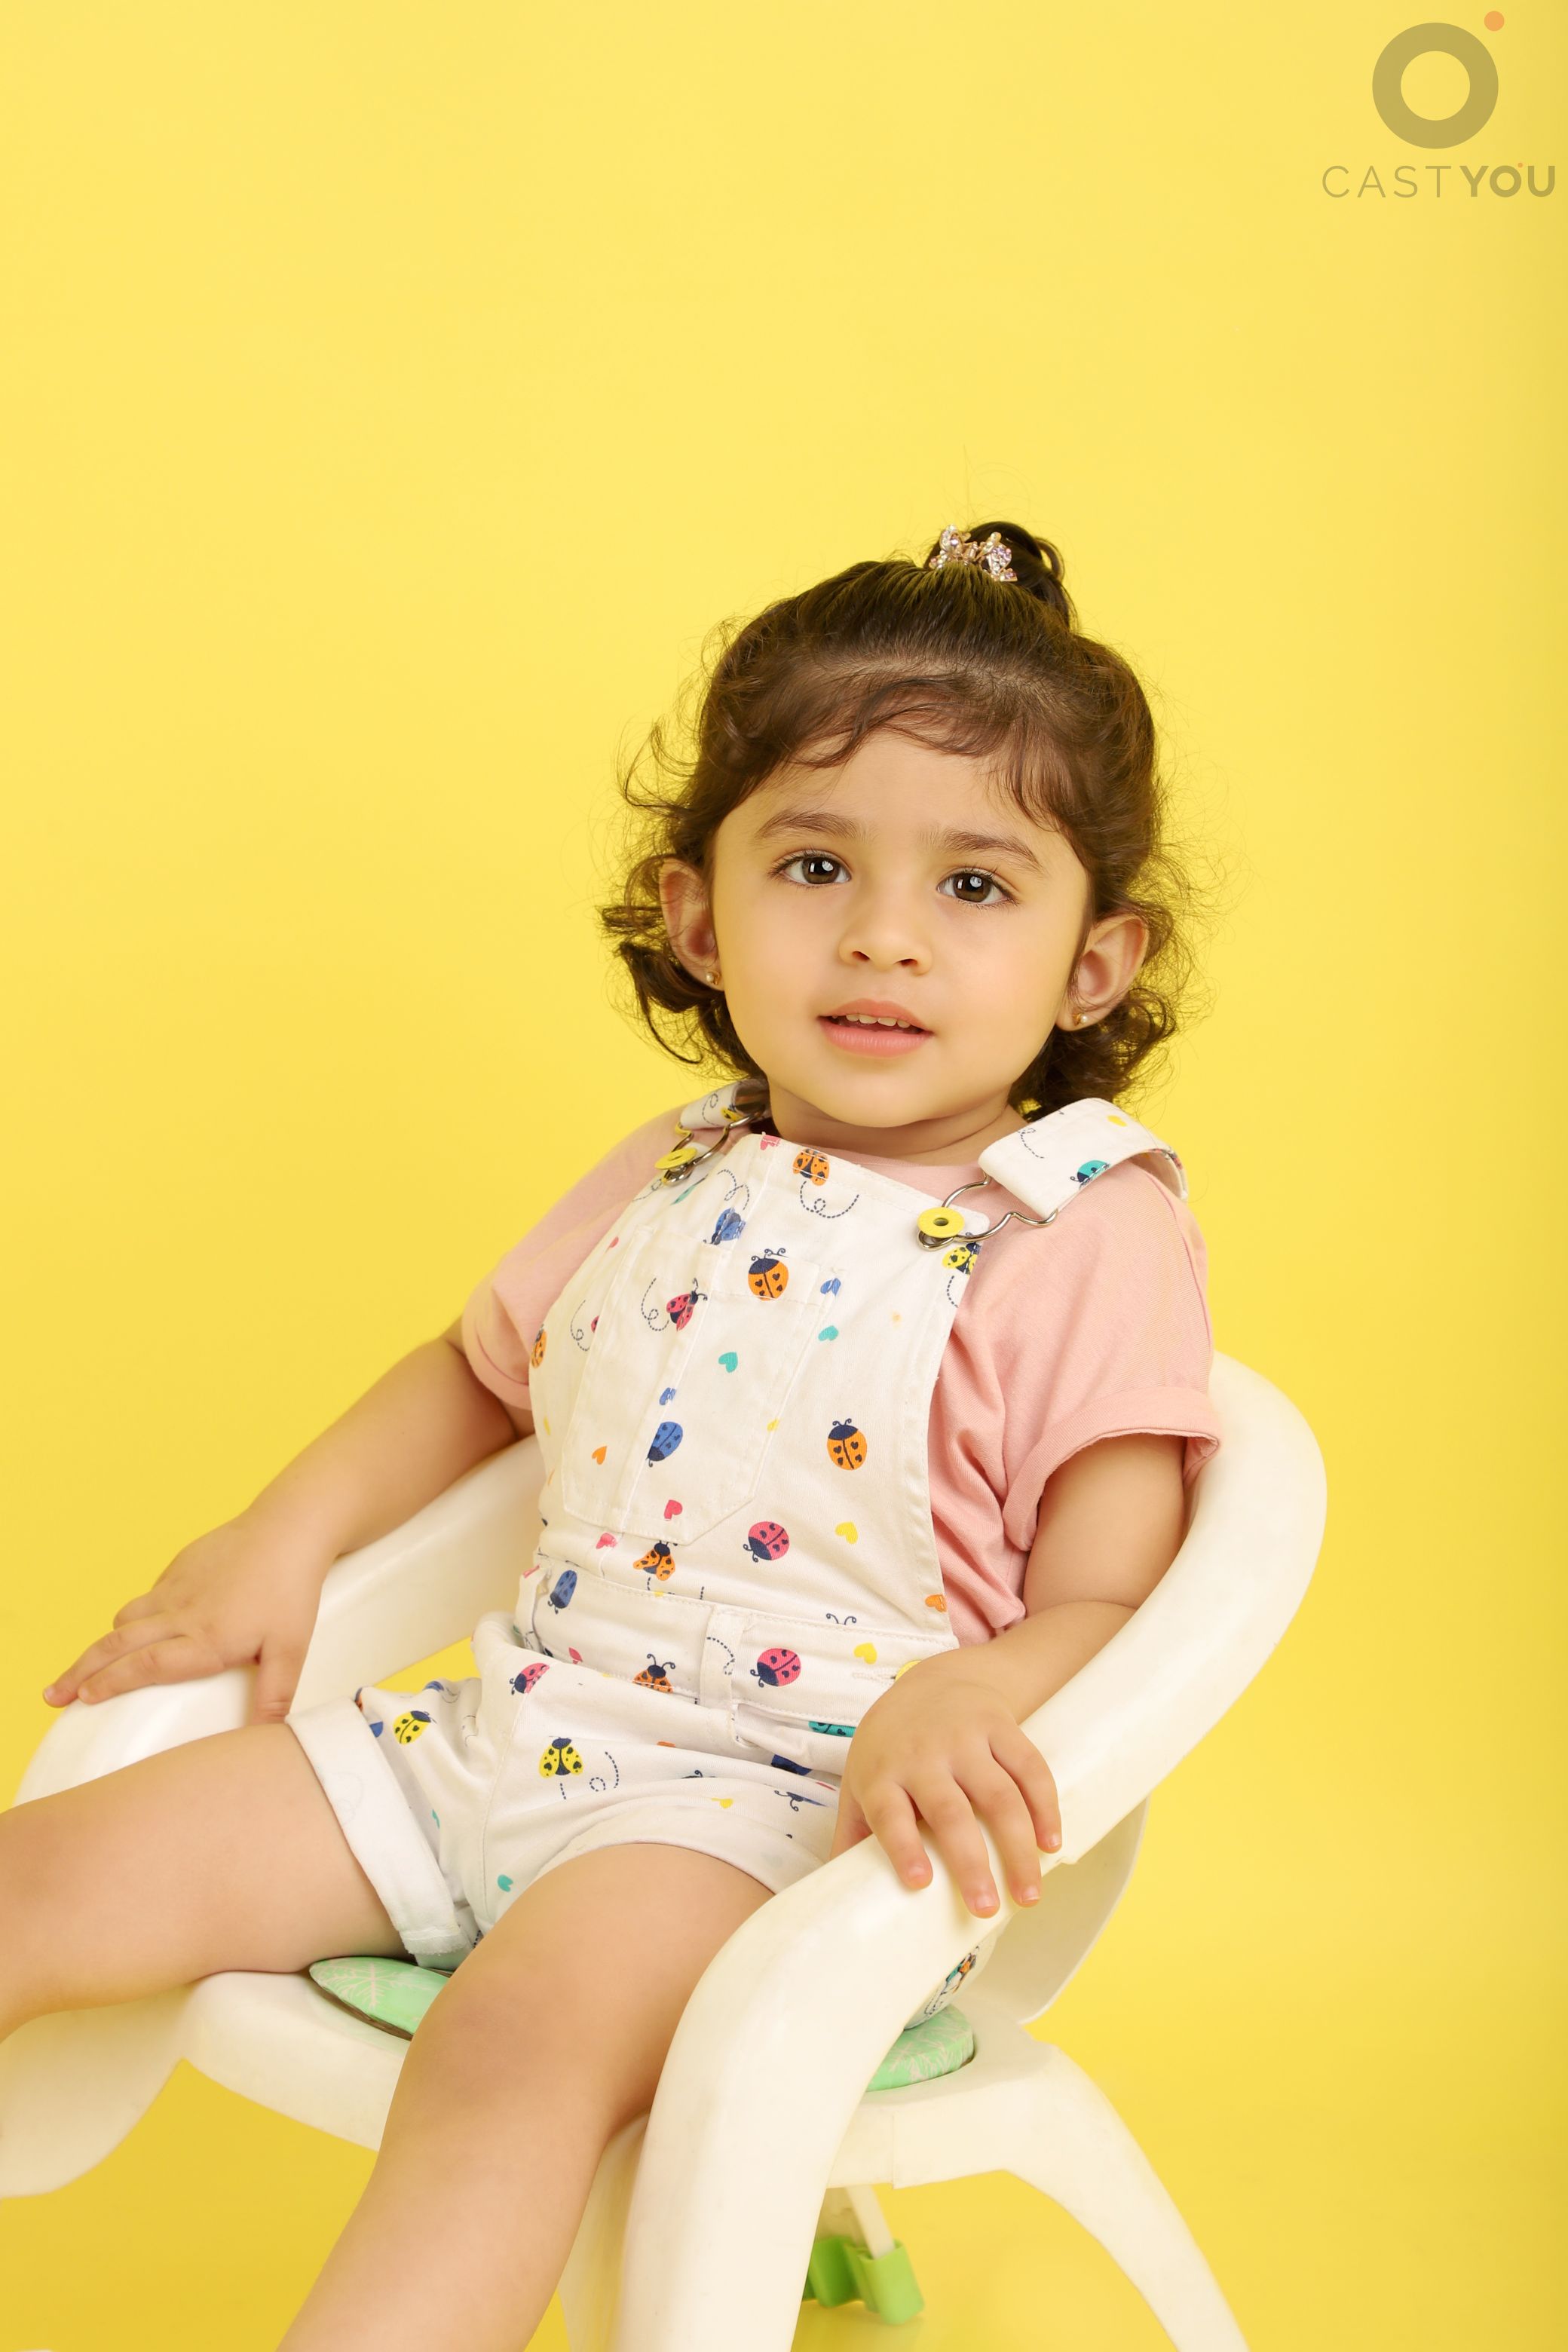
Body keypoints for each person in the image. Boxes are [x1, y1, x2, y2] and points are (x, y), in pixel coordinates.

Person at [3, 520, 1223, 2350]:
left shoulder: (1082, 1229)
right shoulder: (680, 1163)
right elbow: (475, 1375)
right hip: (501, 1732)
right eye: (813, 864)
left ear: (1092, 962)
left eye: (974, 885)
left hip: (784, 1826)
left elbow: (1116, 1593)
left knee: (508, 2060)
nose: (882, 933)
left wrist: (978, 1692)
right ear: (697, 916)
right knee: (41, 1877)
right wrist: (279, 1537)